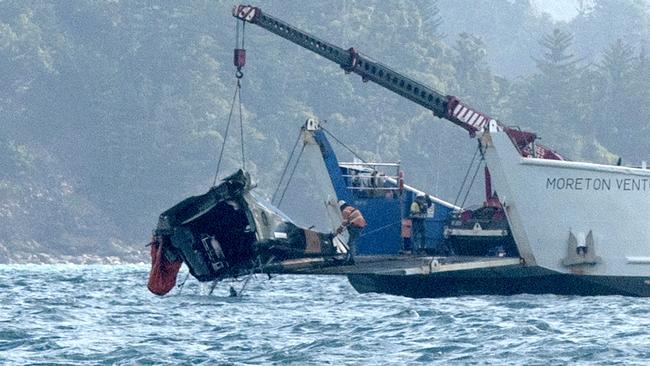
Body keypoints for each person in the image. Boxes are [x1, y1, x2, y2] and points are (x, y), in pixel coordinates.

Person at [336, 200, 366, 264]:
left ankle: (351, 259)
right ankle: (350, 258)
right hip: (360, 225)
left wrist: (339, 229)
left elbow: (344, 222)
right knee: (351, 241)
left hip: (355, 225)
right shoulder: (351, 208)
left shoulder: (345, 211)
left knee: (350, 243)